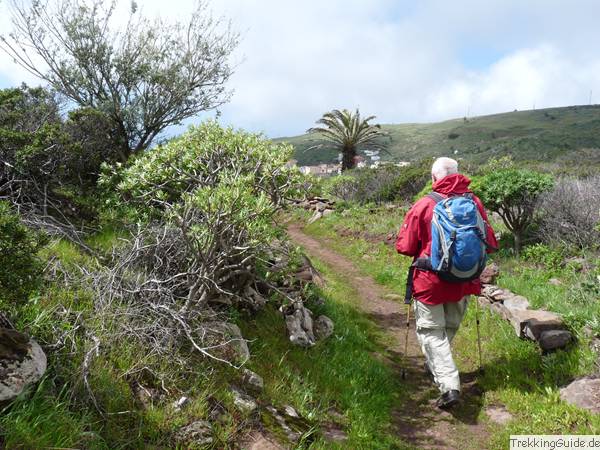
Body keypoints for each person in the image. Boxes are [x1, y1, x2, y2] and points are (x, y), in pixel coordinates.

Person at [395, 157, 498, 409]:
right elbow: (491, 241)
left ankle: (449, 386)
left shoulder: (424, 205)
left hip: (430, 281)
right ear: (457, 175)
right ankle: (436, 365)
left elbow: (405, 246)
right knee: (448, 327)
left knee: (431, 332)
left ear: (434, 178)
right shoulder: (474, 203)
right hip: (465, 279)